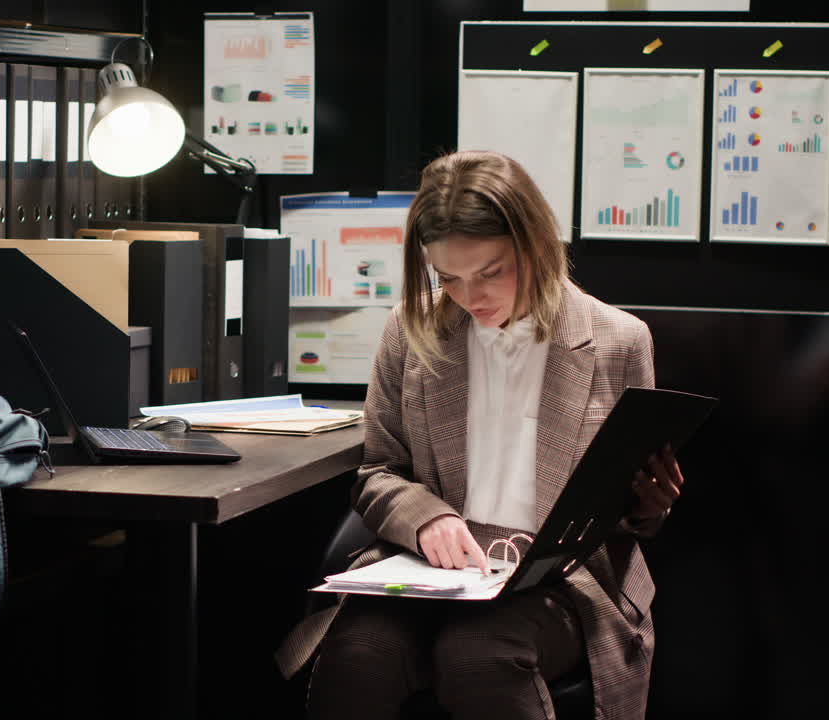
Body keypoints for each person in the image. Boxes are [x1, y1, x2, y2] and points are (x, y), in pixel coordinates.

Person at [274, 150, 684, 720]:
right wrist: (426, 518)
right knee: (358, 653)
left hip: (560, 580)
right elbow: (378, 471)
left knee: (479, 656)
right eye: (450, 278)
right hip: (431, 571)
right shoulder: (412, 330)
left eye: (491, 272)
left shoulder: (618, 341)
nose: (471, 297)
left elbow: (629, 513)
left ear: (536, 243)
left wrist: (648, 507)